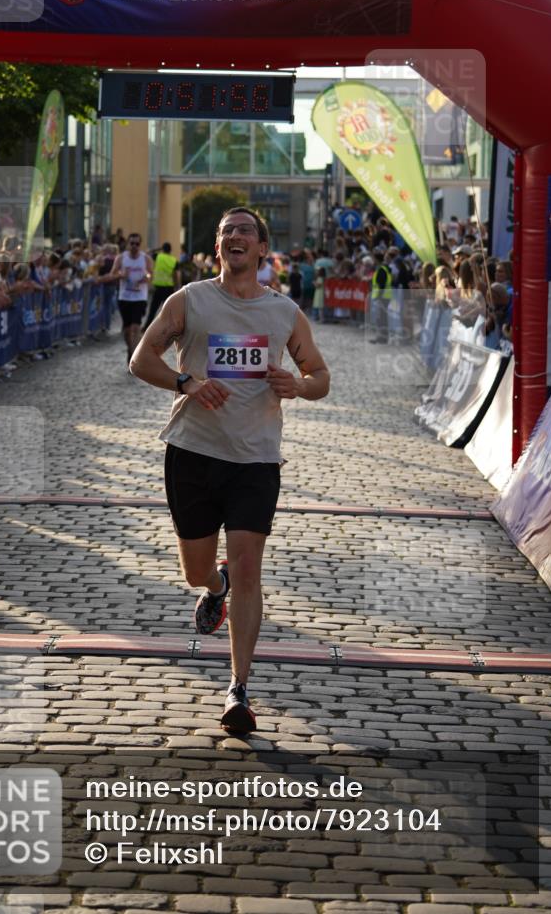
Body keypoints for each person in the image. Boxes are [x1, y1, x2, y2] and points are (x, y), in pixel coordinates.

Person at [130, 207, 330, 734]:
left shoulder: (284, 313)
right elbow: (141, 359)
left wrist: (299, 385)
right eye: (225, 232)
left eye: (244, 230)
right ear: (218, 248)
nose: (234, 237)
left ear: (263, 249)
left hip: (256, 459)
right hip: (193, 453)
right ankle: (211, 586)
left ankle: (238, 688)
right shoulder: (189, 300)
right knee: (199, 570)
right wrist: (186, 384)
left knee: (249, 568)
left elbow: (320, 375)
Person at [112, 231, 153, 363]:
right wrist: (121, 274)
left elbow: (151, 275)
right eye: (132, 243)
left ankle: (134, 358)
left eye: (137, 243)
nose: (134, 246)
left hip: (140, 297)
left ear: (140, 245)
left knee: (135, 327)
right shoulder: (121, 258)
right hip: (124, 297)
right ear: (128, 244)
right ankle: (131, 349)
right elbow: (113, 273)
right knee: (127, 330)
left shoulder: (145, 258)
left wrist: (145, 278)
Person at [144, 242, 179, 328]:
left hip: (158, 288)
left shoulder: (158, 256)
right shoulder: (174, 260)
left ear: (162, 249)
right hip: (169, 288)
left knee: (153, 309)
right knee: (169, 310)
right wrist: (177, 287)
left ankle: (146, 327)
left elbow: (147, 253)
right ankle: (172, 328)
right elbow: (175, 275)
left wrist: (158, 249)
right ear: (170, 250)